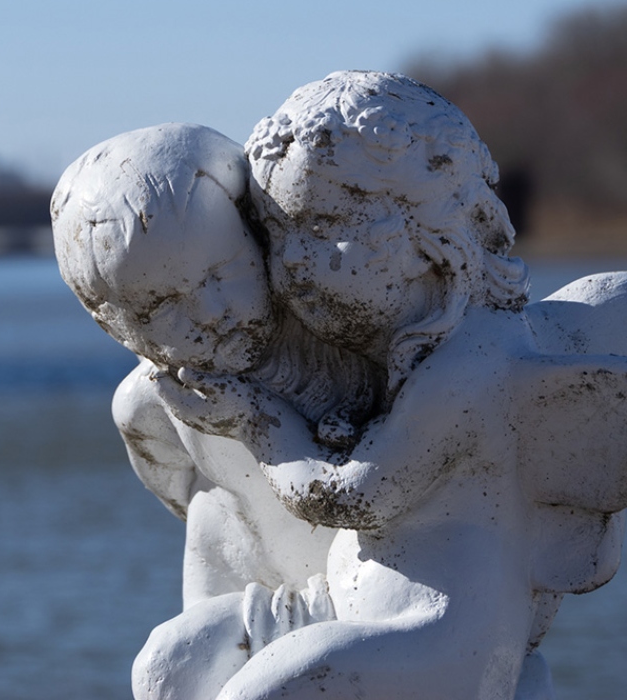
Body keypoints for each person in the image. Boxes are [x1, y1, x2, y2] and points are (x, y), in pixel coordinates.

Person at [153, 71, 627, 700]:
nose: (291, 261)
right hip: (339, 601)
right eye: (278, 232)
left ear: (431, 238)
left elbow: (353, 499)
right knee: (174, 661)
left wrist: (255, 422)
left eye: (321, 227)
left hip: (432, 635)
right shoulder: (392, 349)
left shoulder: (471, 363)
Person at [52, 122, 380, 699]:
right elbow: (179, 492)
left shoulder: (356, 348)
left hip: (367, 593)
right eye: (162, 308)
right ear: (115, 326)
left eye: (221, 273)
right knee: (167, 673)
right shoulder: (150, 405)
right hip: (237, 584)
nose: (210, 312)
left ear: (257, 236)